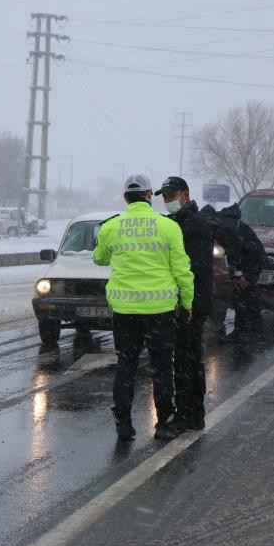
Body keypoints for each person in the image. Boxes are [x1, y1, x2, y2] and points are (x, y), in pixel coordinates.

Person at [93, 174, 194, 441]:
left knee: (126, 365)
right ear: (150, 196)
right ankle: (163, 423)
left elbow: (99, 258)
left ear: (126, 197)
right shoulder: (168, 227)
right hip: (160, 311)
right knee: (162, 368)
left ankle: (124, 424)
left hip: (125, 312)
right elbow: (182, 270)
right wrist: (187, 302)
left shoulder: (111, 227)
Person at [155, 176, 214, 431]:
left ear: (185, 195)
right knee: (184, 360)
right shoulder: (177, 222)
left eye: (171, 196)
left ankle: (191, 413)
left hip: (191, 304)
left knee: (187, 360)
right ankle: (189, 412)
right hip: (184, 301)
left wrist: (185, 302)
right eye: (165, 197)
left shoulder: (195, 225)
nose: (168, 201)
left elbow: (193, 269)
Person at [214, 202, 268, 342]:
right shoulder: (228, 223)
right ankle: (253, 331)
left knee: (244, 296)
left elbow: (234, 253)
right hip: (252, 259)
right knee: (244, 296)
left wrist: (239, 275)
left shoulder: (225, 227)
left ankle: (246, 332)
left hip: (251, 261)